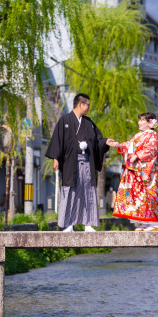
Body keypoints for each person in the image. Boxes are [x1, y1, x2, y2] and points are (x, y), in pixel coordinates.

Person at [46, 93, 111, 232]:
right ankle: (69, 224)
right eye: (87, 104)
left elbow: (98, 140)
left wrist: (106, 142)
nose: (89, 107)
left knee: (88, 190)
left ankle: (88, 223)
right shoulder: (65, 120)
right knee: (70, 191)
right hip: (71, 162)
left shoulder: (89, 123)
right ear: (80, 104)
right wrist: (56, 158)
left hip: (87, 162)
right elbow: (57, 141)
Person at [109, 112, 158, 231]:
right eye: (139, 120)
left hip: (148, 172)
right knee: (139, 197)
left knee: (149, 194)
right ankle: (145, 222)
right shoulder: (138, 136)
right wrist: (119, 145)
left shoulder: (152, 135)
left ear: (150, 123)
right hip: (138, 171)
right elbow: (129, 145)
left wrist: (138, 155)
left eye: (142, 120)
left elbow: (152, 149)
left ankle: (154, 224)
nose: (139, 123)